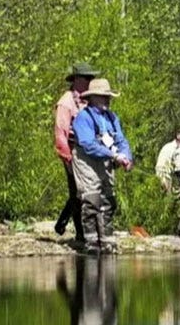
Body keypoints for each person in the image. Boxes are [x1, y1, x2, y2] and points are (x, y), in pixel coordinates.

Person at [72, 78, 133, 254]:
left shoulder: (112, 118)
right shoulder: (83, 117)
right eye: (103, 97)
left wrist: (126, 158)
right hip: (87, 161)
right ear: (92, 98)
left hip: (105, 161)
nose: (107, 100)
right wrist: (114, 155)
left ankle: (107, 240)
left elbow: (121, 140)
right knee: (92, 200)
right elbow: (88, 144)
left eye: (108, 97)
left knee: (108, 200)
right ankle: (91, 242)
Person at [53, 63, 100, 240]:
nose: (91, 81)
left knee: (84, 190)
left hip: (88, 152)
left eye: (91, 78)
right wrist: (66, 156)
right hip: (72, 151)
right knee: (77, 191)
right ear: (78, 80)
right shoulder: (66, 102)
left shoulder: (89, 100)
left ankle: (62, 223)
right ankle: (81, 234)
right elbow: (60, 131)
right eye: (88, 78)